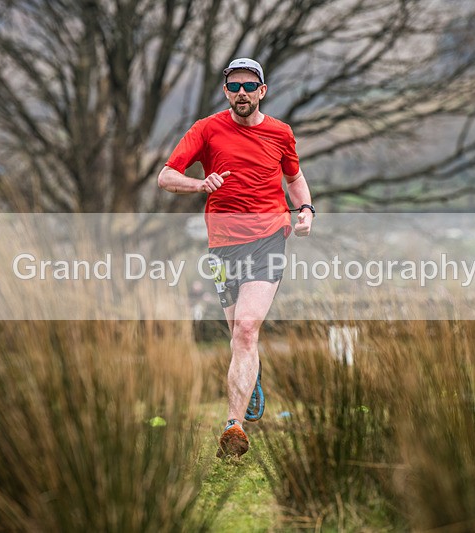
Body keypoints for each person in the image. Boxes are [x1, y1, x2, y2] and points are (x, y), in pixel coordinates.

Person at [158, 57, 314, 459]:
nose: (241, 92)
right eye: (234, 86)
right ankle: (251, 378)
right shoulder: (206, 130)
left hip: (269, 239)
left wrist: (307, 210)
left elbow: (294, 179)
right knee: (239, 337)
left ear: (262, 91)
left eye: (249, 86)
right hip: (223, 245)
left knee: (245, 329)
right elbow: (166, 176)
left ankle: (234, 425)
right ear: (226, 90)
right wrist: (199, 183)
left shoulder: (281, 133)